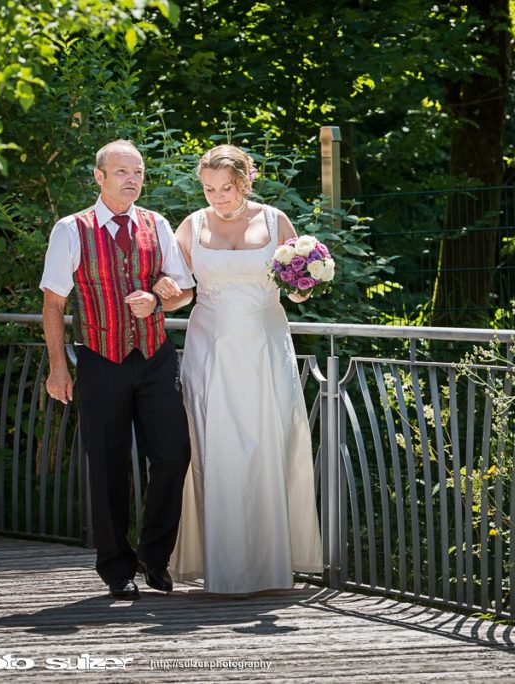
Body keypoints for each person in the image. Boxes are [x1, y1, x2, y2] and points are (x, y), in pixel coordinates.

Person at [155, 144, 323, 594]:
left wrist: (308, 283)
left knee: (269, 444)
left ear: (245, 182)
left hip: (265, 349)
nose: (217, 197)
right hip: (210, 351)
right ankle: (222, 565)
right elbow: (182, 293)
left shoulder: (275, 222)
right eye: (208, 189)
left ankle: (270, 565)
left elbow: (296, 291)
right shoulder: (190, 225)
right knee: (216, 450)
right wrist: (160, 293)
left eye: (225, 188)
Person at [40, 139, 196, 600]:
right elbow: (53, 303)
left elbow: (183, 291)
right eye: (122, 171)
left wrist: (159, 297)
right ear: (99, 177)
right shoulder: (71, 229)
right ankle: (115, 567)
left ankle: (153, 554)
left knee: (173, 455)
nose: (132, 179)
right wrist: (57, 368)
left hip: (154, 357)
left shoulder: (157, 224)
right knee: (106, 465)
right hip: (99, 357)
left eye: (139, 172)